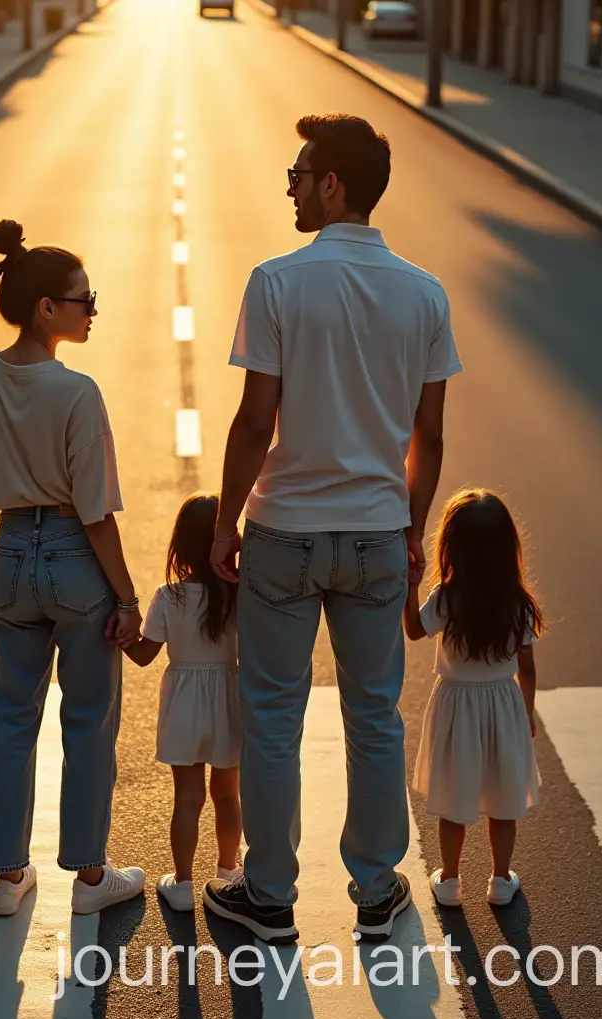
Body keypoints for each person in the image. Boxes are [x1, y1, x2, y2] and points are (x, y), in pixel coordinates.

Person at [204, 112, 463, 943]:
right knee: (374, 715)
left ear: (333, 185)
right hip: (378, 534)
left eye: (301, 169)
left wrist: (222, 524)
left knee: (274, 718)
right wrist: (413, 530)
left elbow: (254, 423)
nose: (289, 180)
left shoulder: (277, 282)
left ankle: (270, 896)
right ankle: (379, 888)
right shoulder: (425, 293)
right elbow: (430, 435)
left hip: (282, 534)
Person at [0, 219, 145, 918]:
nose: (93, 311)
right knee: (87, 721)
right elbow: (95, 513)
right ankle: (91, 880)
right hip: (73, 561)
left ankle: (8, 876)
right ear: (47, 310)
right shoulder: (77, 392)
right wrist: (127, 595)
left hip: (6, 561)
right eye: (84, 300)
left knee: (11, 718)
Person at [405, 488, 543, 908]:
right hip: (504, 704)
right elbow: (528, 668)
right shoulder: (518, 604)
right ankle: (501, 880)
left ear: (451, 546)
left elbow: (414, 629)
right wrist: (528, 713)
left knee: (454, 795)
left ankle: (449, 880)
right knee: (504, 798)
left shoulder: (449, 597)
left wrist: (410, 586)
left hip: (456, 705)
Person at [124, 494, 243, 913]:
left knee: (188, 798)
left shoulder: (168, 596)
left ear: (179, 544)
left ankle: (182, 883)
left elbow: (143, 654)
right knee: (227, 795)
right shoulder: (236, 593)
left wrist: (122, 635)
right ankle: (228, 871)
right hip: (227, 697)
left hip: (185, 704)